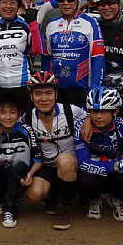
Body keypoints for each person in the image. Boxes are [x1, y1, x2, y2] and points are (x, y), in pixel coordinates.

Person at [21, 71, 85, 230]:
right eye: (38, 94)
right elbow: (11, 126)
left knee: (65, 160)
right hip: (47, 166)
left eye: (48, 93)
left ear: (56, 94)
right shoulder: (27, 118)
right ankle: (54, 195)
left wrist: (89, 121)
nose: (43, 98)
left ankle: (65, 207)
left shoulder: (71, 112)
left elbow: (94, 118)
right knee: (34, 195)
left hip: (70, 164)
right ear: (31, 97)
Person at [0, 95, 43, 228]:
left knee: (17, 164)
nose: (8, 117)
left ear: (18, 115)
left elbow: (39, 160)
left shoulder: (26, 131)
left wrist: (31, 173)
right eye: (3, 113)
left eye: (12, 112)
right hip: (2, 175)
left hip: (21, 175)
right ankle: (2, 200)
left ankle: (9, 209)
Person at [75, 86, 123, 222]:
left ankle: (117, 198)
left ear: (115, 111)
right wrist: (113, 167)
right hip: (96, 173)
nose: (98, 116)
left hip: (115, 174)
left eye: (104, 112)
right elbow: (82, 163)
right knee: (86, 180)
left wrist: (116, 167)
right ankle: (93, 199)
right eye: (94, 111)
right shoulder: (81, 127)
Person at [0, 0, 44, 117]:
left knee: (26, 124)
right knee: (1, 125)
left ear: (18, 5)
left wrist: (33, 24)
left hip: (24, 87)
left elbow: (38, 50)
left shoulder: (25, 26)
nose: (8, 6)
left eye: (12, 3)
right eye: (4, 2)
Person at [42, 0, 104, 107]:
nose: (66, 3)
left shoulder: (90, 23)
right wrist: (46, 87)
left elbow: (98, 58)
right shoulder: (51, 25)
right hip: (57, 90)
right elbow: (46, 59)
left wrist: (94, 88)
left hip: (81, 90)